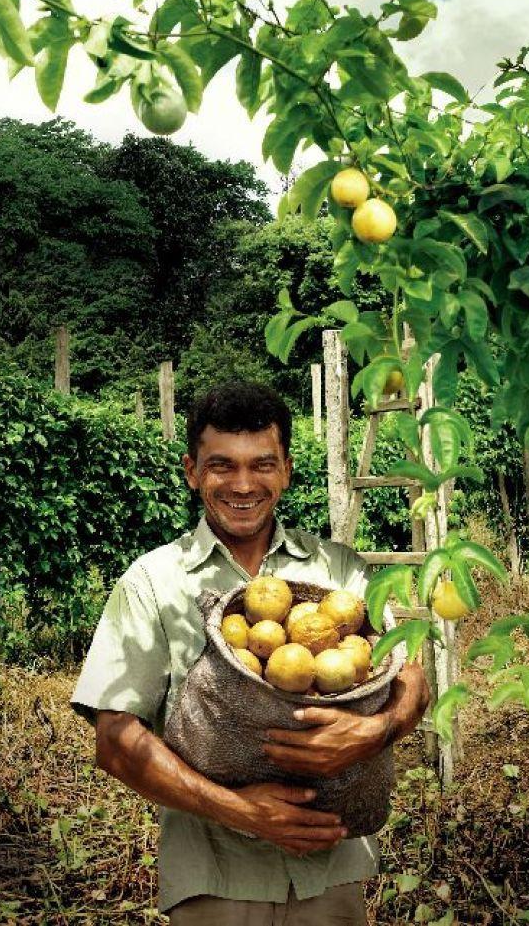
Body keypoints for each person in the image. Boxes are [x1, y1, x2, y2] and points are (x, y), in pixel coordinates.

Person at [72, 380, 430, 924]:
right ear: (193, 472)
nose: (243, 484)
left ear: (286, 470)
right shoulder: (152, 581)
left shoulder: (339, 572)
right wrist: (245, 813)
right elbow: (115, 742)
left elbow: (411, 679)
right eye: (222, 465)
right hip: (217, 879)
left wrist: (375, 732)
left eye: (262, 464)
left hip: (332, 875)